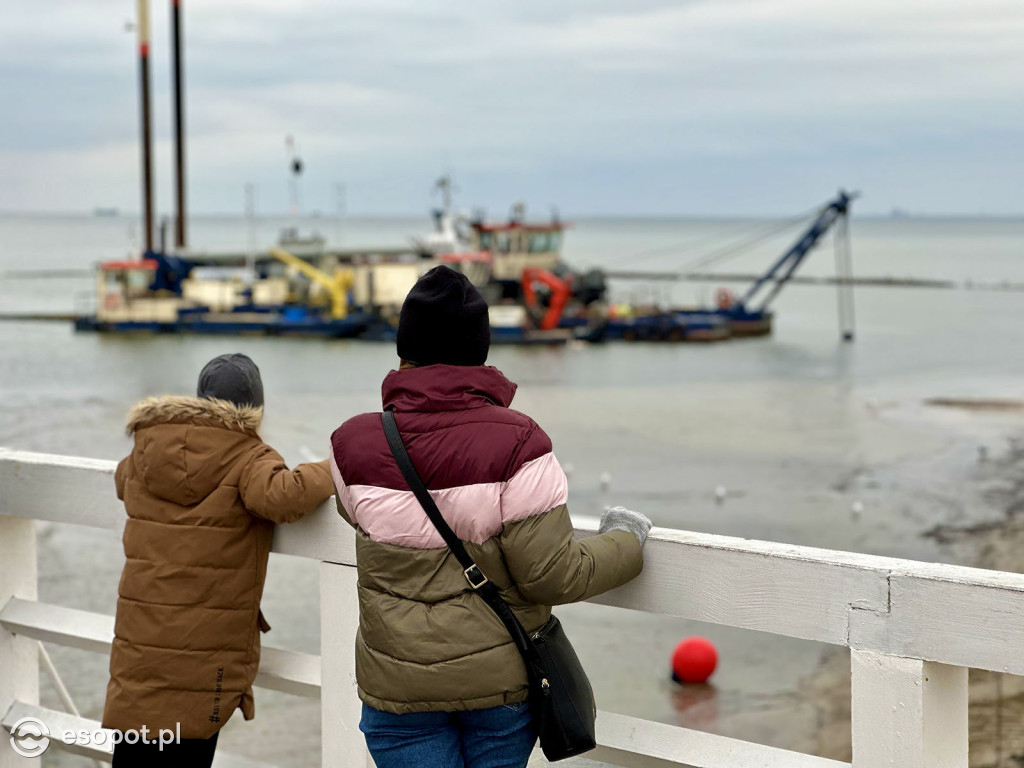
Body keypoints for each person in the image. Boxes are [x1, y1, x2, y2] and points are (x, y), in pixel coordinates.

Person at [329, 266, 652, 768]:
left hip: (397, 691)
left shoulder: (351, 444)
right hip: (497, 691)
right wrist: (625, 539)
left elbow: (362, 519)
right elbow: (552, 573)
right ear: (479, 351)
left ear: (403, 351)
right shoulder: (520, 442)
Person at [103, 353, 335, 768]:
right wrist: (337, 464)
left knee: (136, 749)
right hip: (203, 652)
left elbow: (123, 481)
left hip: (142, 646)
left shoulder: (145, 452)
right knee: (190, 745)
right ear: (255, 412)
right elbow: (285, 496)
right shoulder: (248, 457)